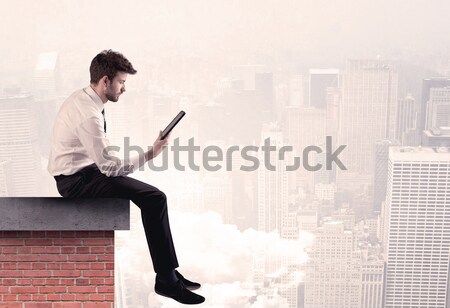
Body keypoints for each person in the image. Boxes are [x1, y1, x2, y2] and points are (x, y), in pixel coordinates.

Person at [47, 49, 205, 305]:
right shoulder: (88, 114)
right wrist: (150, 154)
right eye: (121, 82)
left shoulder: (86, 100)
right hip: (77, 181)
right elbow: (108, 168)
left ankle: (169, 274)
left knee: (153, 198)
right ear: (105, 81)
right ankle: (166, 280)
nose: (124, 88)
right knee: (154, 198)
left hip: (86, 171)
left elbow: (101, 158)